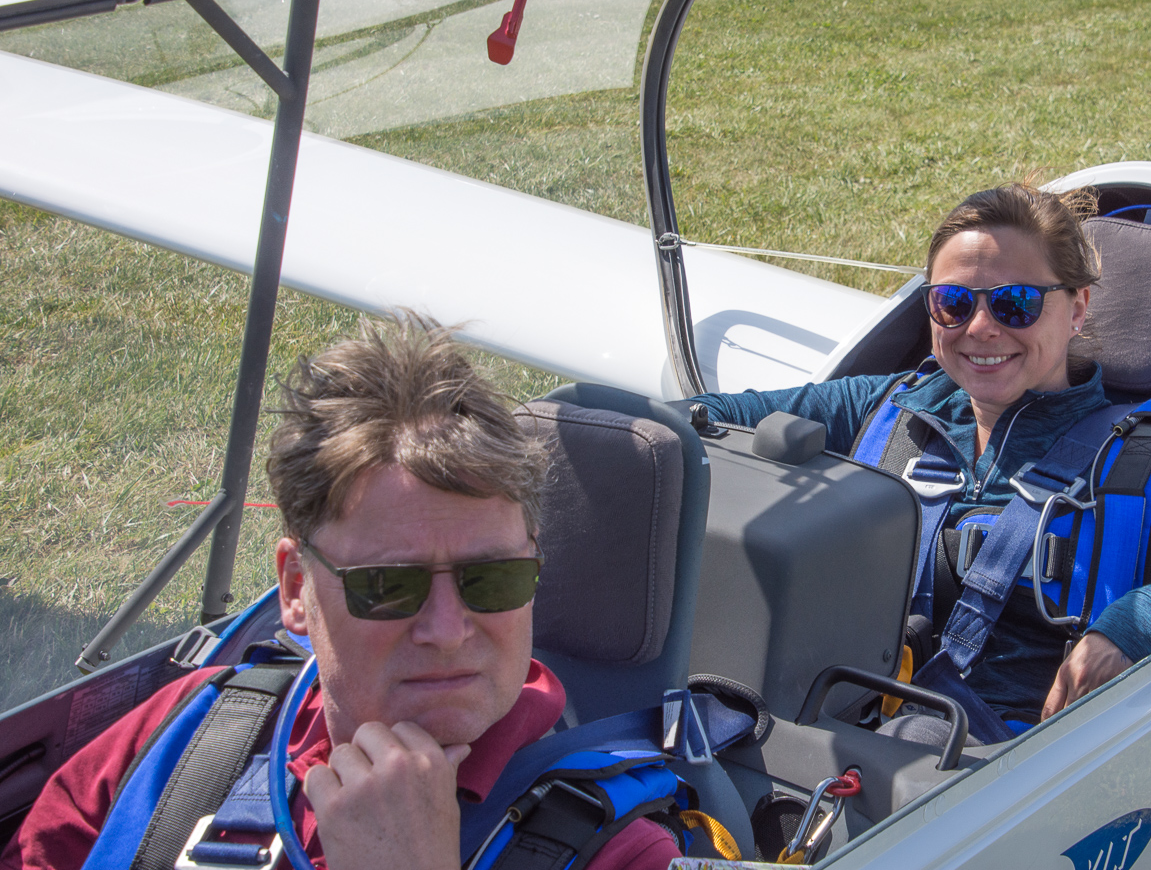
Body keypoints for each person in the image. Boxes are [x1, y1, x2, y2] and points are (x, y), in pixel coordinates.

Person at [1, 316, 680, 870]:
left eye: (492, 579)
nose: (447, 630)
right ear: (296, 589)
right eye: (388, 586)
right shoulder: (194, 737)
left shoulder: (623, 854)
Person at [687, 184, 1151, 733]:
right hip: (820, 712)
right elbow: (704, 418)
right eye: (952, 303)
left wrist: (1141, 620)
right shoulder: (884, 405)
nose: (980, 328)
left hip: (994, 761)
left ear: (1078, 308)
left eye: (1015, 303)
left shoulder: (1148, 461)